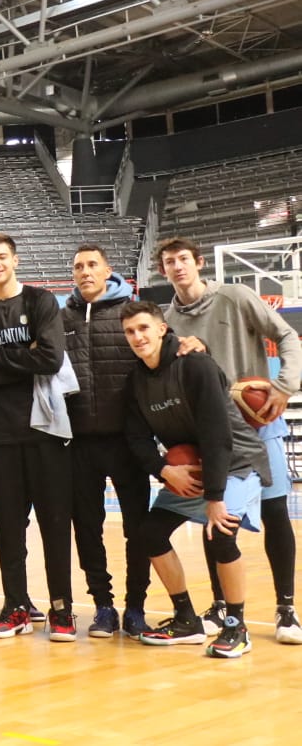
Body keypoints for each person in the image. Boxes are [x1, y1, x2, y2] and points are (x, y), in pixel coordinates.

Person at [157, 238, 301, 644]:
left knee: (275, 513)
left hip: (256, 425)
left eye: (184, 259)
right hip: (210, 433)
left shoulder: (236, 296)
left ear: (199, 263)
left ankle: (286, 609)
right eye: (169, 262)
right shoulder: (168, 319)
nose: (178, 266)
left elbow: (287, 335)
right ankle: (221, 606)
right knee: (213, 518)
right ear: (163, 271)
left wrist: (285, 385)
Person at [121, 302, 266, 658]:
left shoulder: (195, 365)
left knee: (219, 533)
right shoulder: (136, 380)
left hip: (232, 463)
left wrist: (215, 498)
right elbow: (136, 438)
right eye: (130, 332)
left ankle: (236, 627)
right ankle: (186, 619)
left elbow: (217, 435)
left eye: (144, 328)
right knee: (150, 534)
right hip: (189, 470)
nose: (138, 337)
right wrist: (163, 469)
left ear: (162, 329)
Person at [0, 233, 75, 641]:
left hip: (45, 431)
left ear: (15, 260)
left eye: (1, 257)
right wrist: (23, 358)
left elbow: (51, 358)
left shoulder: (40, 302)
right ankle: (16, 606)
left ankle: (62, 610)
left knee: (56, 523)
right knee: (8, 527)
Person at [62, 244, 151, 638]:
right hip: (78, 443)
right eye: (78, 266)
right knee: (87, 528)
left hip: (127, 441)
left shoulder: (130, 314)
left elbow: (161, 348)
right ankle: (103, 606)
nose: (85, 272)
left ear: (107, 270)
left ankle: (135, 607)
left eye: (92, 265)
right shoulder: (61, 317)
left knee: (139, 528)